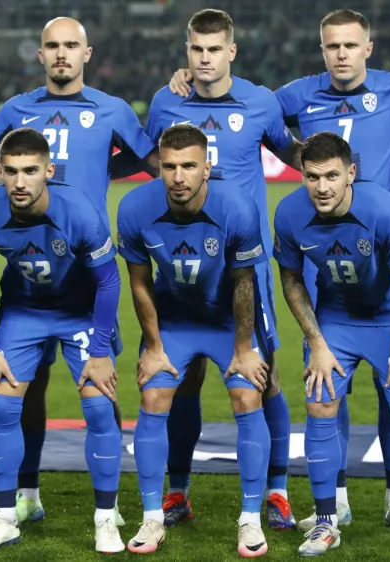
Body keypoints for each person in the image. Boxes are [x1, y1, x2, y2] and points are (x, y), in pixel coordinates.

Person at [167, 8, 390, 533]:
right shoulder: (295, 96)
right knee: (325, 382)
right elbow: (243, 100)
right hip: (321, 261)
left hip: (386, 259)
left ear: (368, 47)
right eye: (331, 45)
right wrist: (186, 81)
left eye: (350, 45)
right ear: (322, 50)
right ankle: (332, 497)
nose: (341, 54)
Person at [0, 16, 156, 526]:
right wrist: (5, 186)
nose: (62, 54)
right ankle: (27, 490)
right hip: (28, 274)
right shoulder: (17, 108)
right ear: (41, 55)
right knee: (27, 385)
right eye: (52, 46)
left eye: (71, 45)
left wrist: (100, 176)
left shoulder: (112, 109)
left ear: (87, 54)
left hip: (88, 275)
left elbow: (150, 160)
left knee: (101, 383)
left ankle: (109, 506)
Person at [144, 8, 301, 531]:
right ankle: (177, 492)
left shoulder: (260, 101)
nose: (205, 58)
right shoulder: (167, 100)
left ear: (231, 51)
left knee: (266, 377)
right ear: (186, 51)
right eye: (196, 50)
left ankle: (276, 492)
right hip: (182, 272)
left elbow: (292, 151)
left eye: (214, 50)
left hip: (243, 271)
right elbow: (156, 167)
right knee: (182, 379)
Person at [273, 132, 390, 559]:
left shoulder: (383, 208)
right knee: (319, 404)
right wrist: (317, 343)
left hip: (389, 318)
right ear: (302, 175)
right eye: (312, 177)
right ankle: (327, 522)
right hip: (336, 320)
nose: (322, 187)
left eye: (331, 175)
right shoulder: (289, 214)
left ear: (351, 173)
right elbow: (291, 280)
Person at [0, 128, 125, 553]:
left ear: (48, 171)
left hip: (80, 310)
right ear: (0, 171)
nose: (19, 182)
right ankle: (4, 518)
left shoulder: (79, 212)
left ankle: (106, 519)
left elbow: (108, 280)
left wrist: (102, 351)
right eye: (11, 171)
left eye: (30, 171)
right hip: (23, 310)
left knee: (97, 403)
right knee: (2, 404)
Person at [119, 124, 271, 557]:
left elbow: (245, 284)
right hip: (175, 322)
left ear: (208, 167)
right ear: (159, 167)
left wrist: (244, 349)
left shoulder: (237, 208)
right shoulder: (134, 208)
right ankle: (153, 517)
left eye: (189, 166)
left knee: (247, 396)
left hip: (226, 320)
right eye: (169, 167)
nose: (179, 177)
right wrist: (153, 345)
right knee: (154, 395)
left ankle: (250, 520)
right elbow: (139, 282)